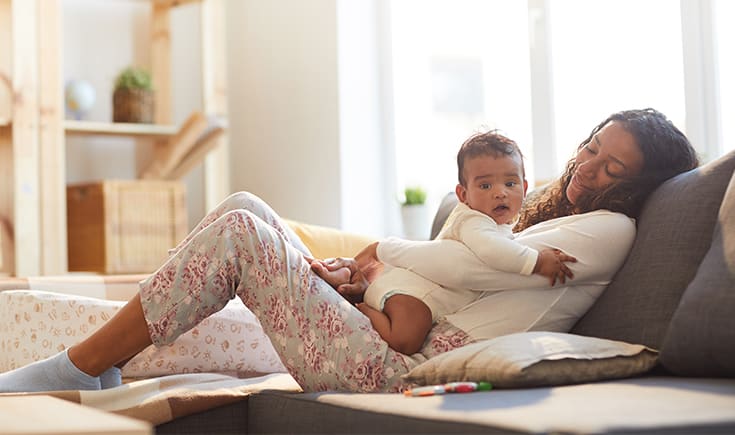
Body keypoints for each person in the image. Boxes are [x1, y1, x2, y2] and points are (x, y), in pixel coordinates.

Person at [0, 108, 699, 394]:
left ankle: (81, 368)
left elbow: (461, 265)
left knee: (242, 235)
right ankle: (109, 359)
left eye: (612, 167)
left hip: (404, 363)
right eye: (591, 148)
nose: (587, 168)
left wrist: (372, 259)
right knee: (246, 208)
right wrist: (360, 281)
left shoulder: (610, 231)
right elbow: (460, 269)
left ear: (638, 183)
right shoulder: (541, 218)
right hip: (391, 329)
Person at [313, 131, 577, 355]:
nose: (500, 192)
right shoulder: (475, 222)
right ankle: (360, 311)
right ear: (463, 194)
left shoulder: (499, 226)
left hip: (424, 295)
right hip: (413, 292)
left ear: (525, 186)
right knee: (405, 340)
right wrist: (536, 261)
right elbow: (491, 251)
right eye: (485, 186)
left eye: (510, 183)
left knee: (410, 335)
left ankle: (363, 299)